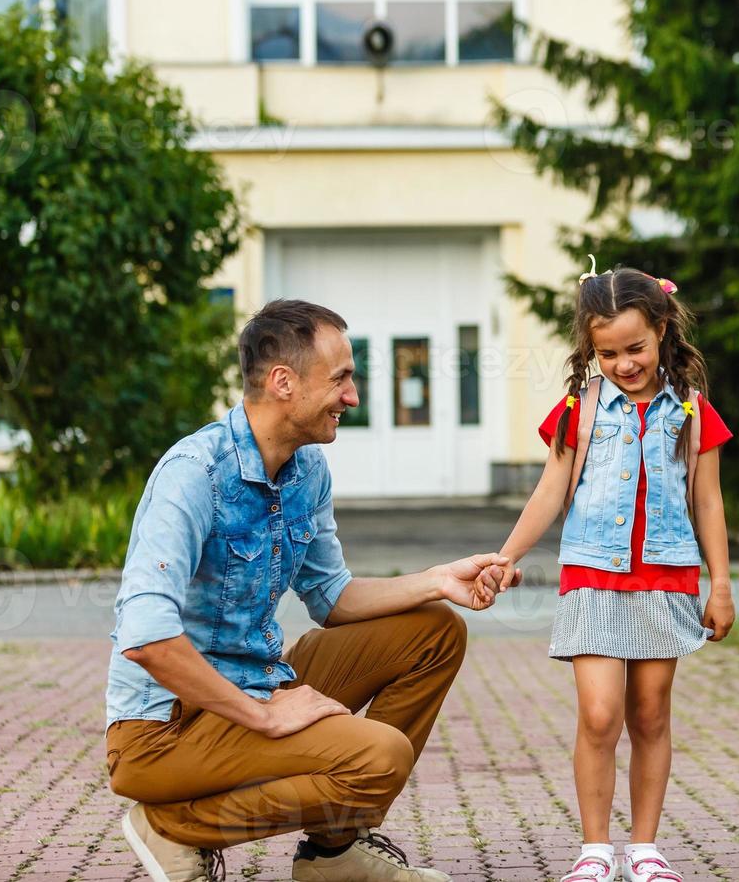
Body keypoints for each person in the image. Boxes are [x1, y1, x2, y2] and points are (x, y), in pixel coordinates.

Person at [104, 299, 521, 882]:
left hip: (257, 686)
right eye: (342, 378)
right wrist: (263, 716)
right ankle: (172, 824)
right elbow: (146, 638)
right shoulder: (193, 474)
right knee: (381, 757)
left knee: (433, 630)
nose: (353, 397)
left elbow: (333, 597)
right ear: (283, 383)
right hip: (163, 731)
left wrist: (436, 581)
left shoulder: (306, 471)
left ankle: (333, 854)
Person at [476, 262, 735, 882]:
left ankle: (644, 848)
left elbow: (708, 502)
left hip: (667, 579)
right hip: (592, 577)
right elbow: (548, 493)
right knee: (599, 715)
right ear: (591, 349)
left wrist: (720, 584)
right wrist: (506, 557)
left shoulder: (693, 412)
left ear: (664, 330)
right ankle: (596, 849)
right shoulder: (579, 410)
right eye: (608, 352)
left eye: (636, 348)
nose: (624, 363)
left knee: (650, 714)